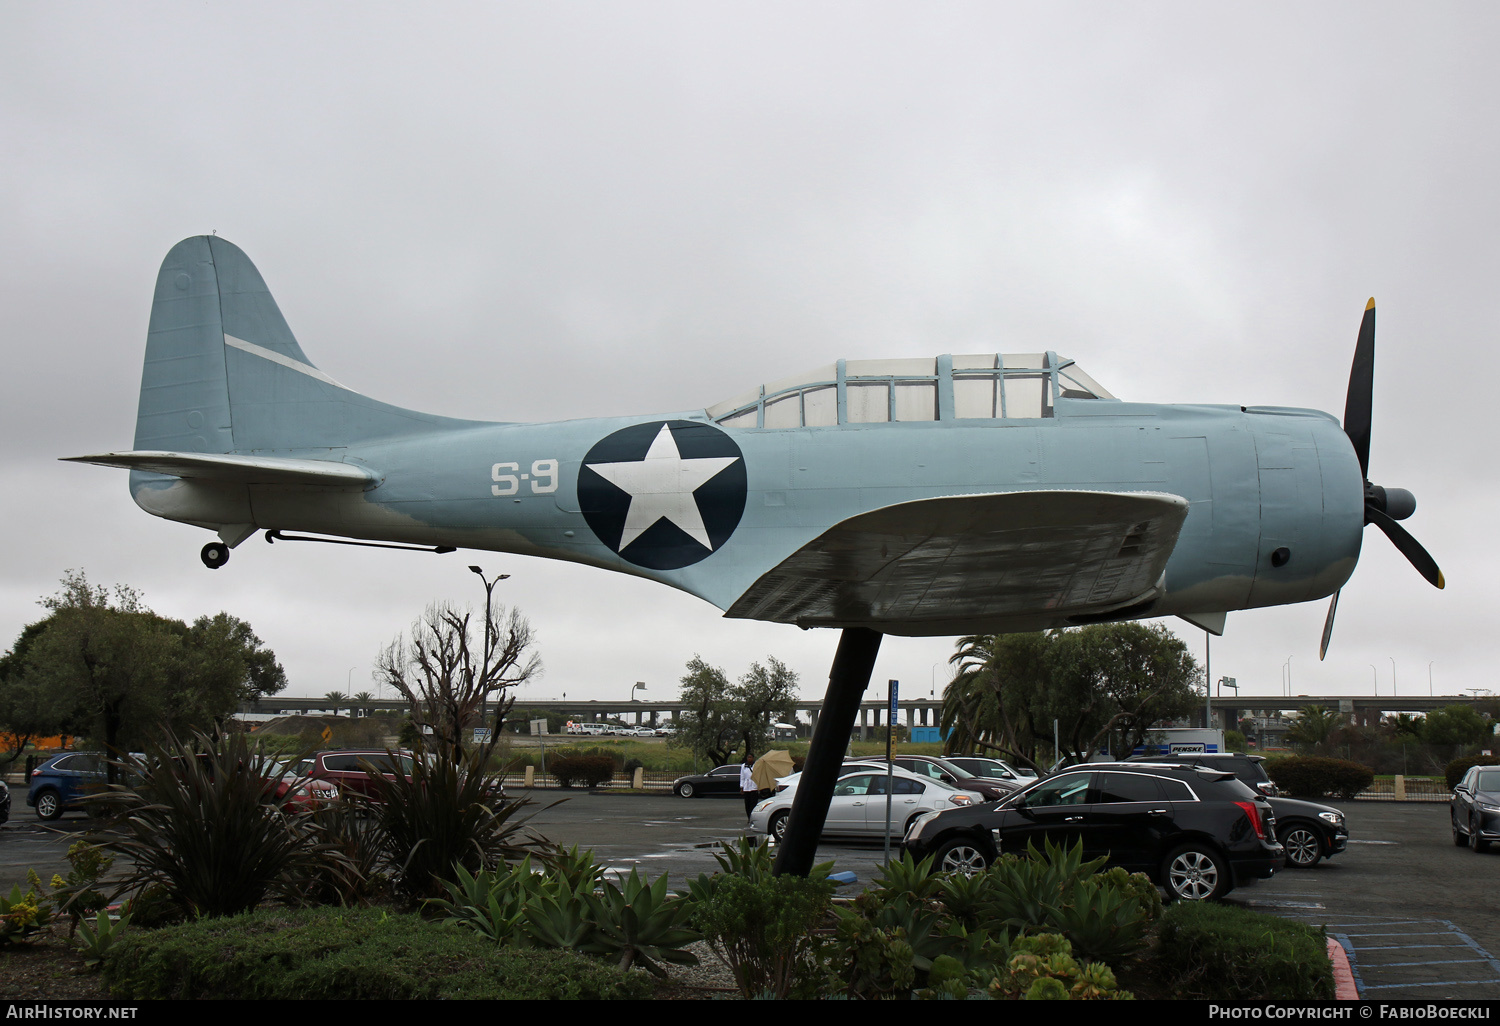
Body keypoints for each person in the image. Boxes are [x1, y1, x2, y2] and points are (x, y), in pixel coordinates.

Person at [740, 753, 758, 821]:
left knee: (753, 804)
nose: (749, 759)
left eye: (751, 757)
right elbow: (742, 777)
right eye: (748, 757)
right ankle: (749, 817)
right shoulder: (743, 766)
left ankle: (753, 817)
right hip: (746, 786)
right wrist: (742, 787)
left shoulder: (756, 765)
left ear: (753, 758)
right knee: (747, 803)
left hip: (754, 786)